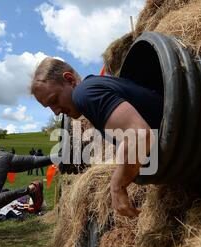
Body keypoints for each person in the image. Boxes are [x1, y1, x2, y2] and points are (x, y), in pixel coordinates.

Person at [30, 58, 163, 217]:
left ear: (70, 80)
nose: (56, 112)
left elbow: (140, 135)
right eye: (49, 107)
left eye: (54, 100)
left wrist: (117, 186)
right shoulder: (95, 87)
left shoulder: (85, 93)